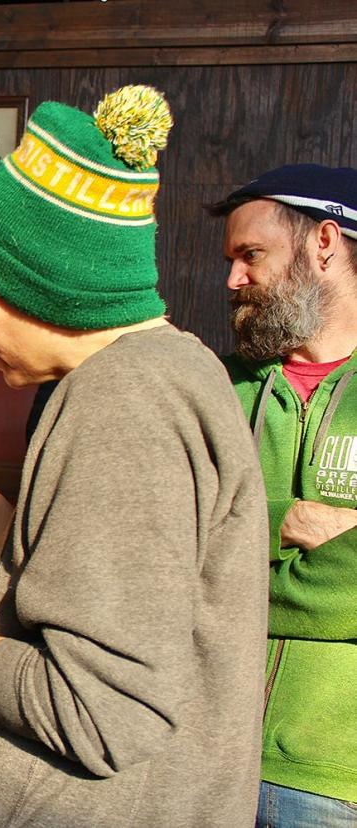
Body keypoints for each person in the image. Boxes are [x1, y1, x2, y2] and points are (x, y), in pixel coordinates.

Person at [0, 86, 269, 826]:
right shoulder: (172, 369)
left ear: (43, 284)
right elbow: (123, 602)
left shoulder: (124, 401)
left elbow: (98, 710)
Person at [209, 165, 357, 826]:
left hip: (335, 775)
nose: (233, 279)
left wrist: (229, 582)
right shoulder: (217, 389)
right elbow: (167, 540)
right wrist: (285, 520)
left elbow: (207, 560)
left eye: (251, 255)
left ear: (324, 242)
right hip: (205, 754)